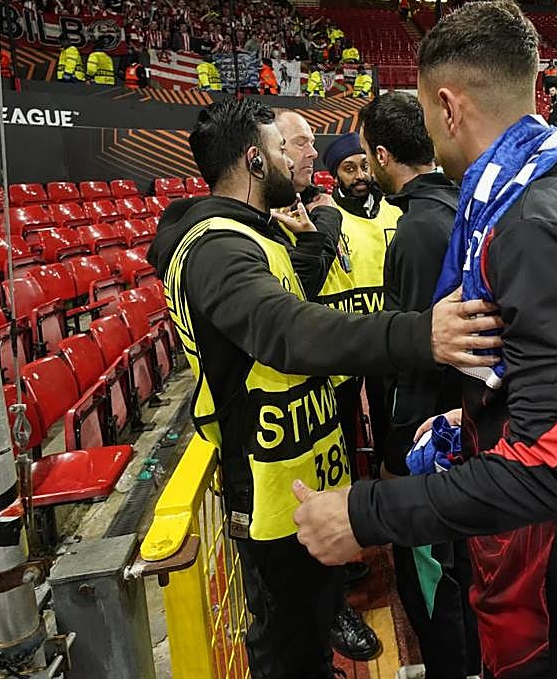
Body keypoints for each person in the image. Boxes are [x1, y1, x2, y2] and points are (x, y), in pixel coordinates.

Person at [292, 0, 557, 679]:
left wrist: (364, 513)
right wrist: (475, 422)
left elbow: (548, 468)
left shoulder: (532, 226)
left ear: (446, 106)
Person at [147, 100, 502, 679]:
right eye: (281, 150)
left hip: (302, 472)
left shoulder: (253, 235)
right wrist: (420, 334)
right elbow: (284, 330)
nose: (295, 160)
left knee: (310, 628)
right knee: (286, 644)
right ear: (254, 161)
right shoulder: (215, 246)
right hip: (268, 489)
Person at [358, 92, 481, 679]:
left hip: (432, 443)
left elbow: (421, 359)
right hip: (468, 423)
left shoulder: (417, 230)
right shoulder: (460, 205)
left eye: (366, 155)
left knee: (434, 579)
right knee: (467, 570)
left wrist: (395, 454)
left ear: (383, 155)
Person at [273, 110, 382, 661]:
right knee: (300, 493)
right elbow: (301, 286)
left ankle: (334, 583)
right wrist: (322, 230)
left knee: (336, 470)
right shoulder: (267, 222)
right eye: (300, 144)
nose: (311, 153)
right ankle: (329, 607)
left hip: (327, 376)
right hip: (285, 391)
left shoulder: (312, 207)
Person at [319, 134, 403, 474]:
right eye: (349, 169)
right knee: (343, 421)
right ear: (336, 175)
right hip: (348, 337)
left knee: (388, 418)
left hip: (387, 334)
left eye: (364, 166)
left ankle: (386, 477)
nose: (360, 176)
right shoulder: (328, 218)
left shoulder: (395, 210)